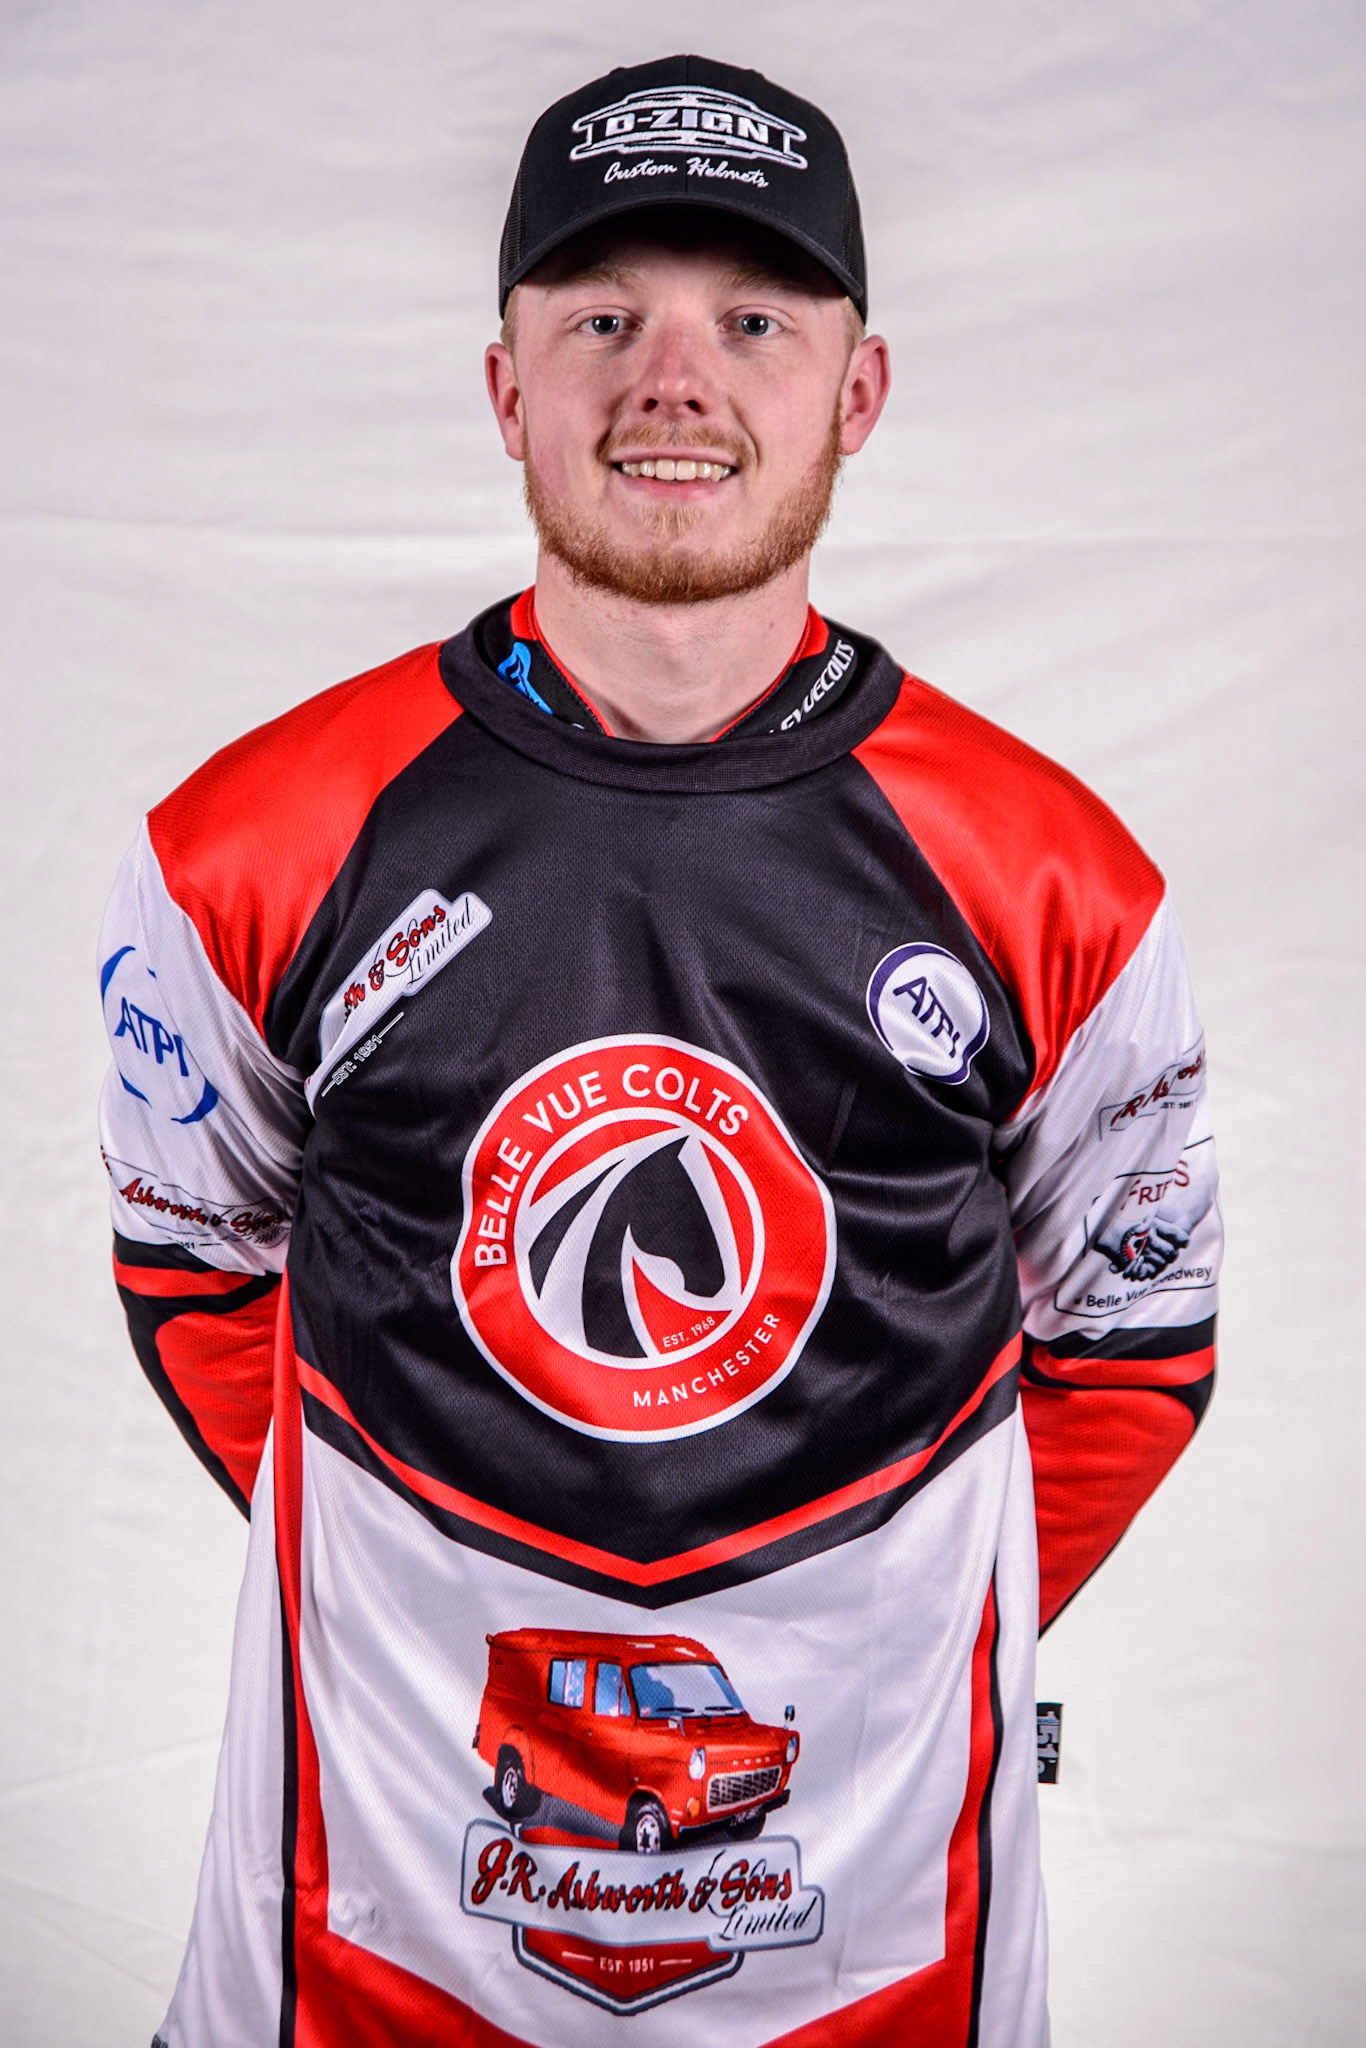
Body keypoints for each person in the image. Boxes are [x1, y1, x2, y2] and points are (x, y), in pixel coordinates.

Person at [97, 53, 1221, 2048]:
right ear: (504, 385)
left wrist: (876, 1642)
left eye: (753, 321)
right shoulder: (244, 850)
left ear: (857, 392)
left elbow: (1131, 1349)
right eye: (603, 319)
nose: (674, 380)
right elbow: (194, 1272)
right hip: (355, 1946)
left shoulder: (1055, 881)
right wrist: (416, 1606)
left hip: (884, 1949)